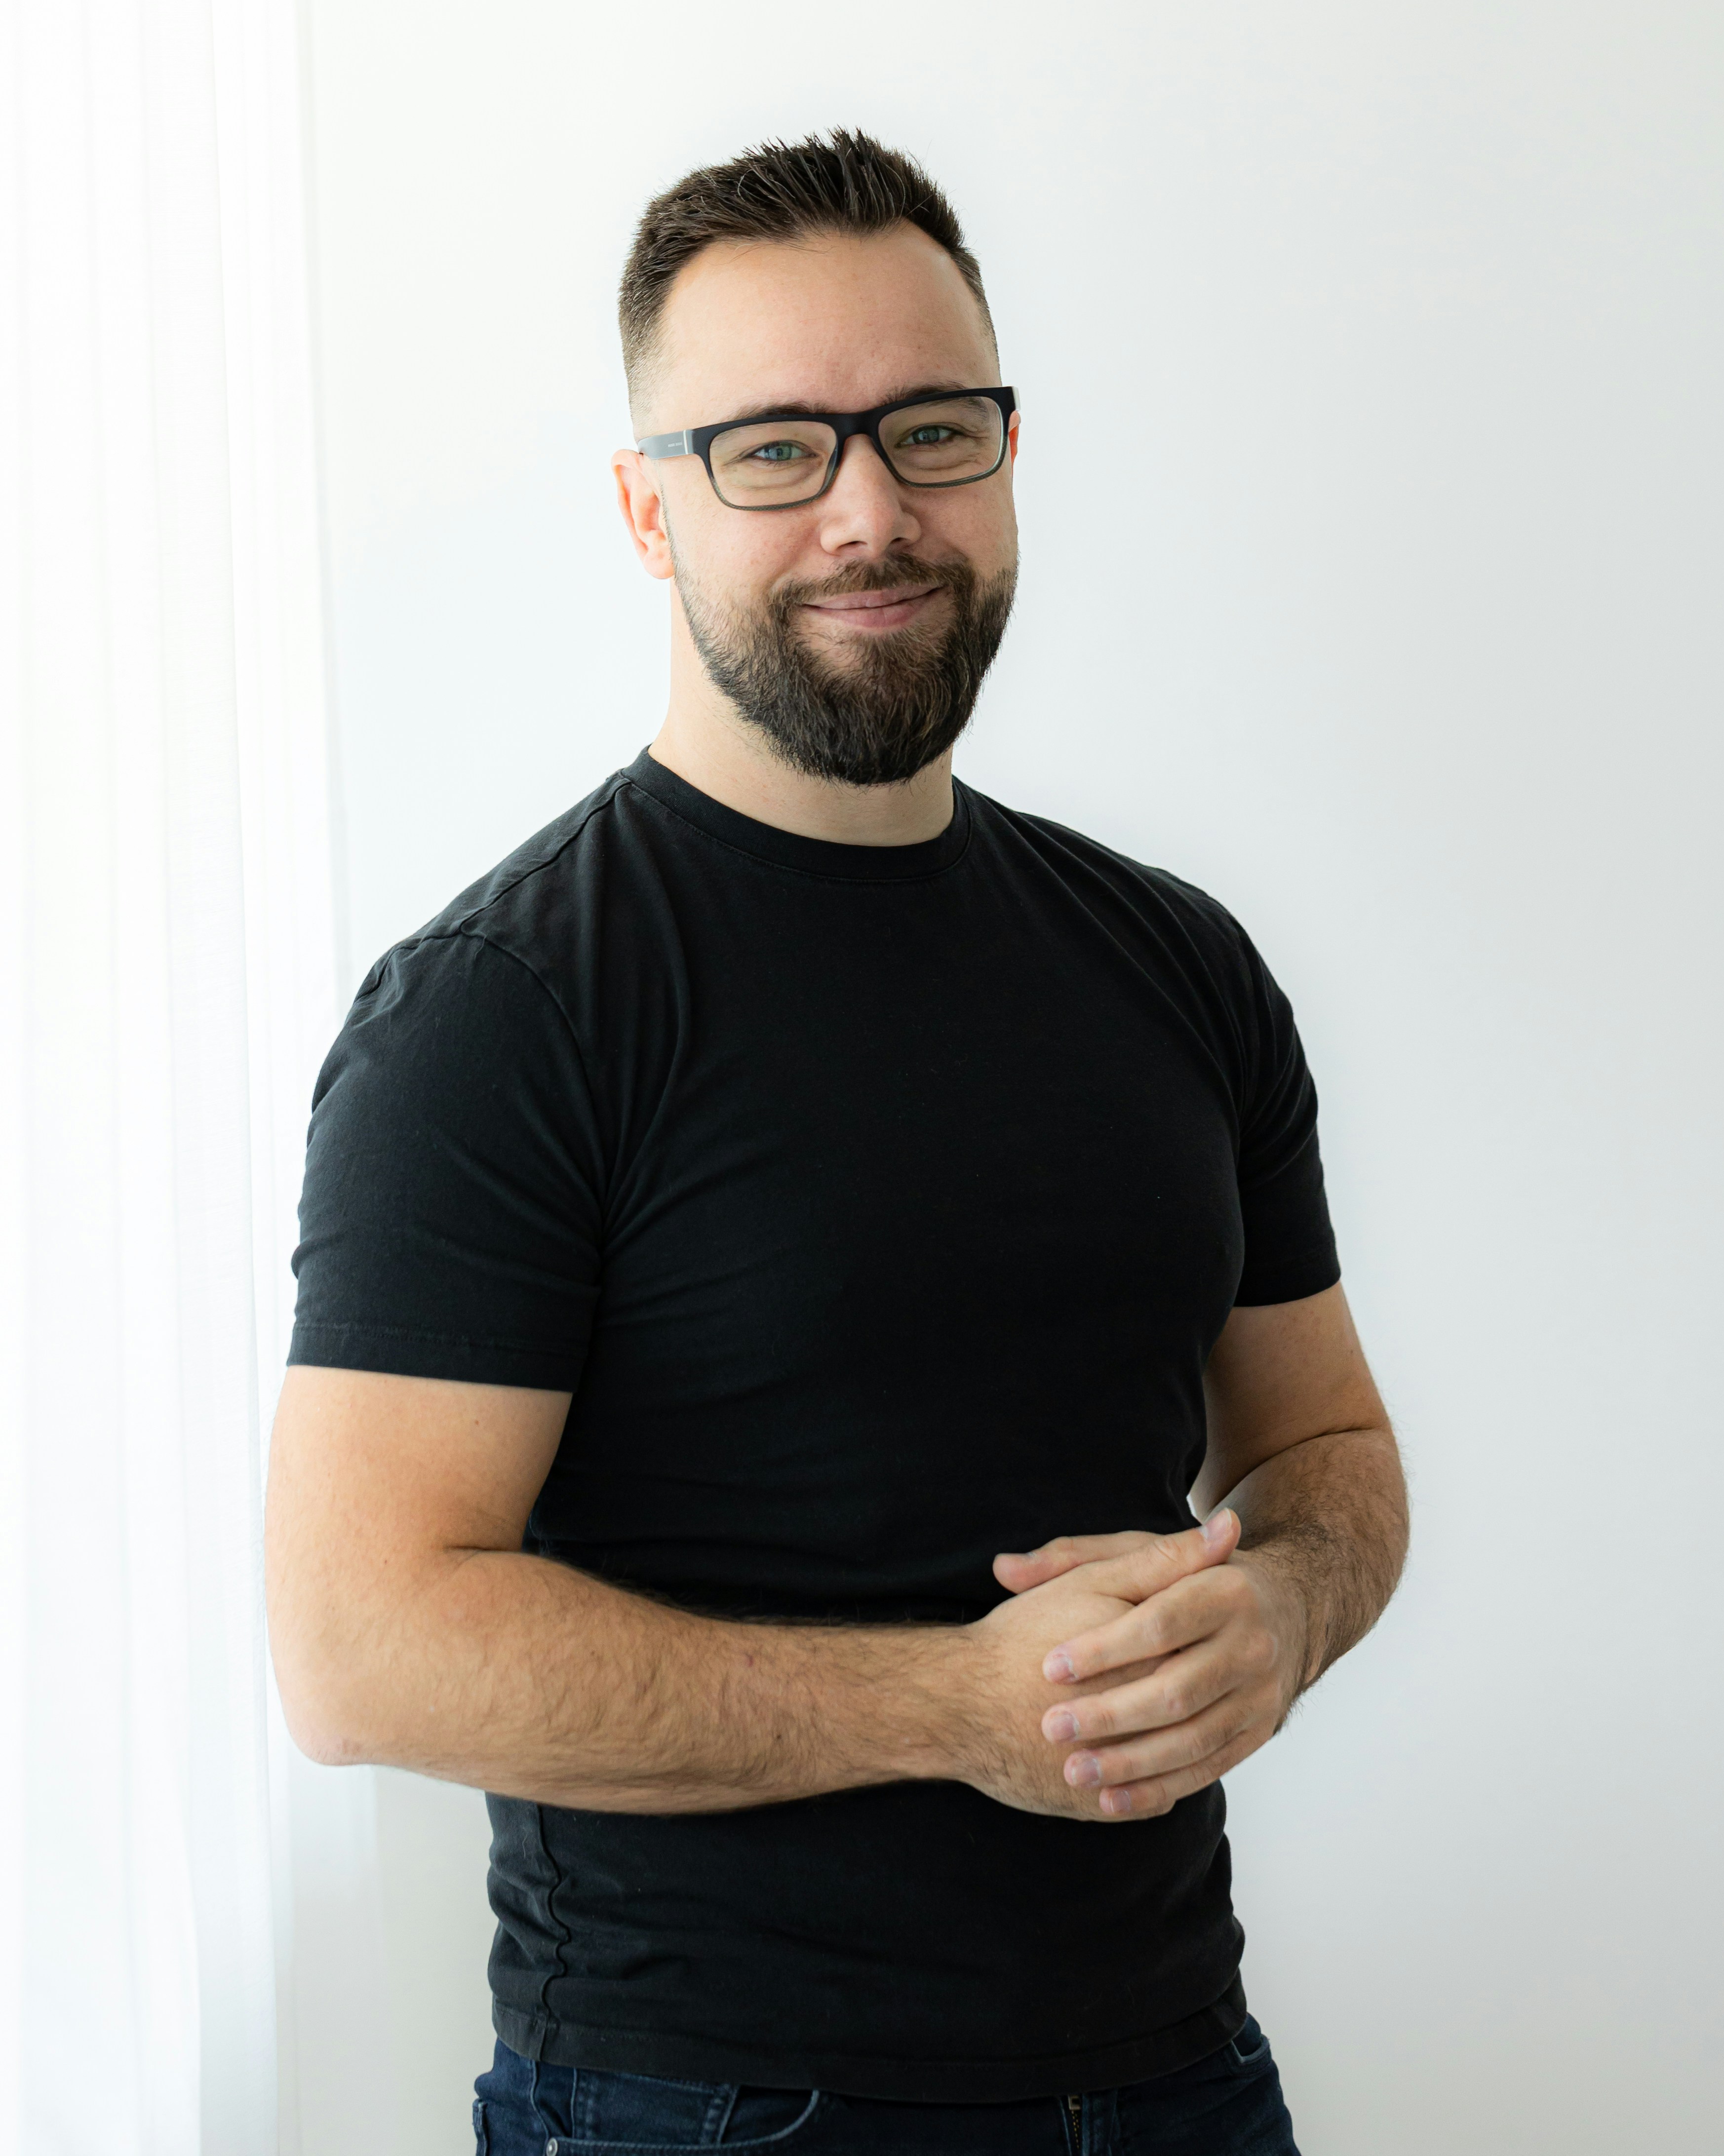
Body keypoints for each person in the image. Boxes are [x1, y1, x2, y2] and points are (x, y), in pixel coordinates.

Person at [265, 128, 1409, 2156]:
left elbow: (1327, 1450)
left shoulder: (1177, 962)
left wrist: (1291, 1609)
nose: (872, 511)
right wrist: (955, 1709)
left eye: (931, 430)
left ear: (1007, 452)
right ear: (647, 513)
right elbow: (360, 1647)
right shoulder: (506, 1012)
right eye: (773, 449)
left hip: (1176, 2076)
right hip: (707, 2103)